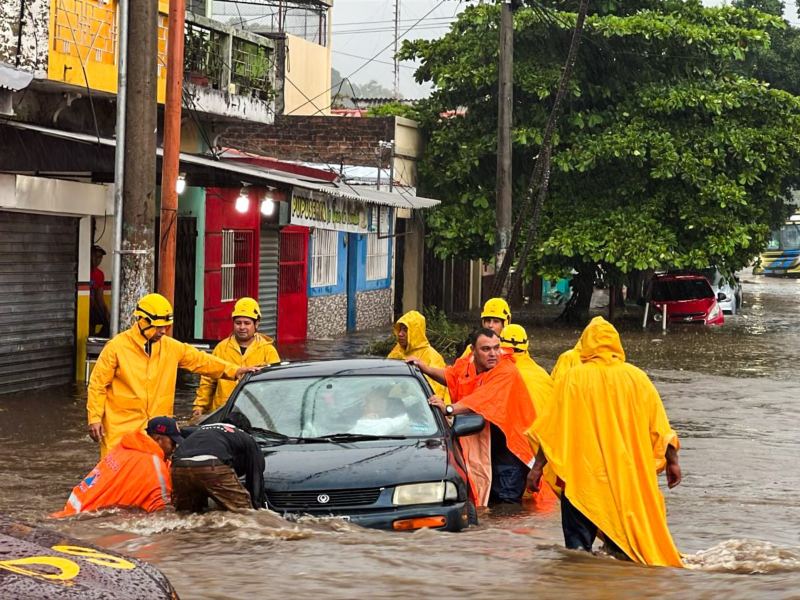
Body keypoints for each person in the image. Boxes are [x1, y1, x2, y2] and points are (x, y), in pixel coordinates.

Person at [527, 316, 683, 567]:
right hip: (624, 482)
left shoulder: (573, 379)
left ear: (586, 344)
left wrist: (536, 469)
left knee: (578, 555)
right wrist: (673, 462)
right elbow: (660, 429)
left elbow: (551, 429)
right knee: (624, 552)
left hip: (582, 481)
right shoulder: (637, 378)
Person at [87, 293, 258, 457]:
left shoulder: (171, 347)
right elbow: (97, 385)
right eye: (159, 327)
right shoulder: (116, 347)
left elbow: (201, 361)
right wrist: (94, 418)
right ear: (142, 321)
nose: (163, 331)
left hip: (157, 432)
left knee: (154, 478)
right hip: (121, 430)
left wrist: (234, 371)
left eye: (166, 327)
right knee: (117, 478)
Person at [411, 328, 536, 506]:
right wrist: (425, 369)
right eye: (486, 349)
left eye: (496, 348)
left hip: (511, 450)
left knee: (506, 507)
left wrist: (448, 408)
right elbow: (452, 376)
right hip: (487, 447)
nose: (493, 354)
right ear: (473, 350)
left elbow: (482, 399)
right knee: (485, 503)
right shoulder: (467, 364)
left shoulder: (507, 372)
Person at [52, 417, 181, 517]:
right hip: (88, 521)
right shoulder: (155, 467)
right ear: (159, 439)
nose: (175, 449)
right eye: (173, 443)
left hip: (72, 509)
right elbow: (161, 511)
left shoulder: (125, 447)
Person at [193, 297, 280, 417]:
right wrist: (200, 407)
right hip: (222, 412)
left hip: (255, 413)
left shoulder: (268, 351)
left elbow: (275, 386)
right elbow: (208, 381)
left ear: (257, 324)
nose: (242, 327)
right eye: (238, 323)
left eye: (247, 323)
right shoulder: (221, 348)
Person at [171, 412, 265, 512]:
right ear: (245, 429)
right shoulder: (245, 436)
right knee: (243, 514)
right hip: (212, 465)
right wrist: (257, 508)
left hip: (178, 466)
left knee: (186, 514)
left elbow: (180, 431)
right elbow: (255, 476)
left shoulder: (201, 429)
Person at [387, 310, 448, 399]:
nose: (400, 334)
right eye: (400, 329)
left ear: (415, 332)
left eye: (405, 330)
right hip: (394, 403)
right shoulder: (397, 351)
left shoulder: (432, 357)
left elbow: (435, 392)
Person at [89, 244, 110, 337]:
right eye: (96, 256)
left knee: (108, 322)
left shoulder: (99, 274)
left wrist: (106, 312)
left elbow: (99, 297)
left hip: (94, 308)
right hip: (86, 307)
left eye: (100, 257)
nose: (98, 259)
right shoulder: (83, 271)